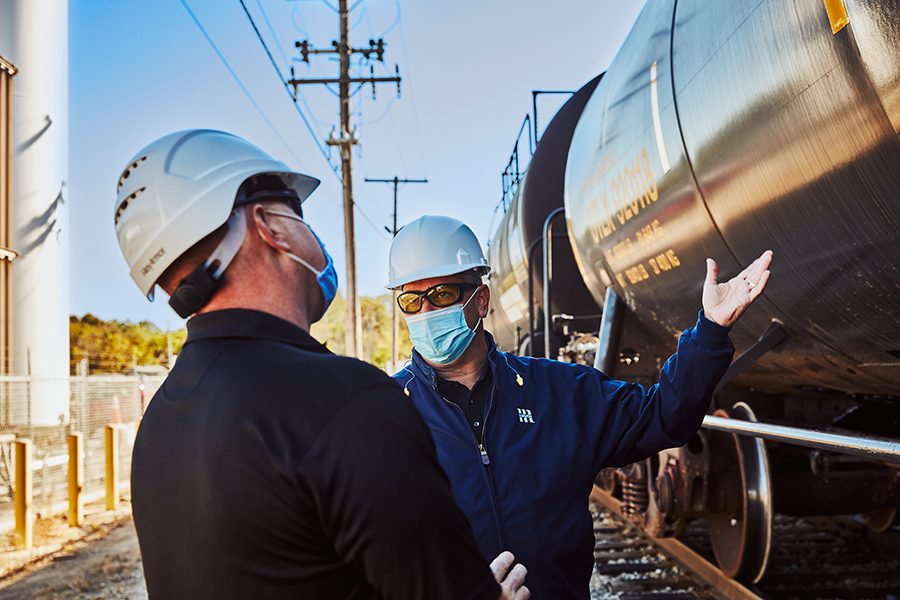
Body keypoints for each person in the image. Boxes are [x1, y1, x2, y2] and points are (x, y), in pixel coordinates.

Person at [113, 131, 530, 600]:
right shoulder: (348, 403)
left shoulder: (159, 424)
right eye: (299, 215)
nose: (312, 235)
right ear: (269, 225)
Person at [387, 215, 773, 599]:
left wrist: (709, 330)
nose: (426, 314)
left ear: (481, 299)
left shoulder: (558, 392)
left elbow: (664, 416)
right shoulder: (383, 416)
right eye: (411, 300)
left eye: (442, 296)